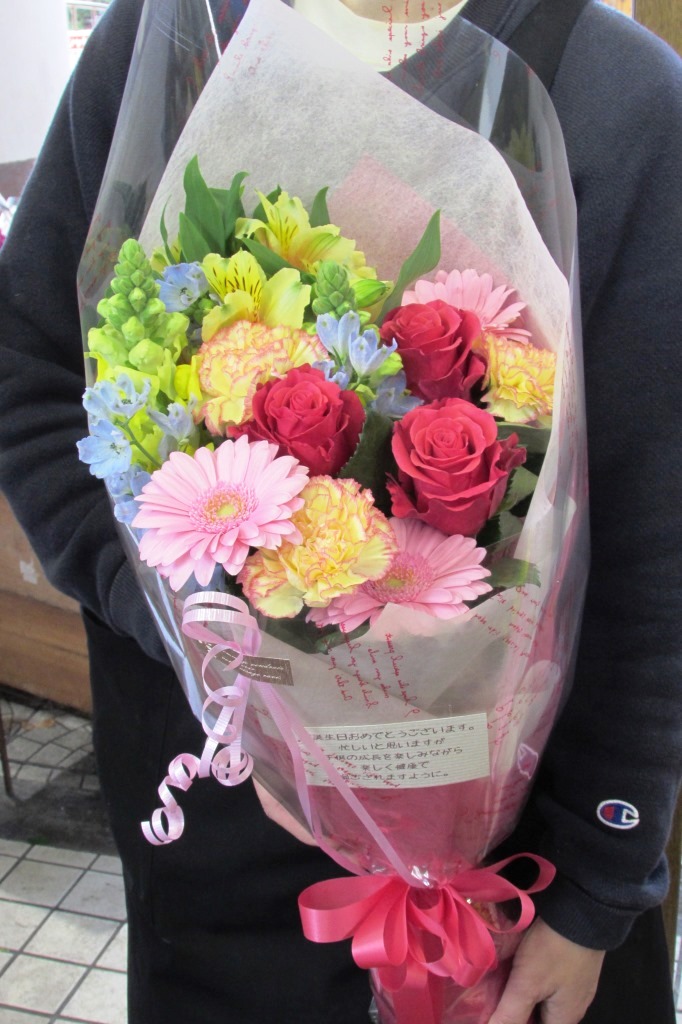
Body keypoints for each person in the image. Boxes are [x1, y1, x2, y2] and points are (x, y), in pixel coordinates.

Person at [0, 1, 680, 1022]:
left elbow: (654, 535)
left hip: (525, 875)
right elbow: (33, 377)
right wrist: (185, 618)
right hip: (224, 839)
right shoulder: (169, 37)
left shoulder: (614, 94)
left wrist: (598, 881)